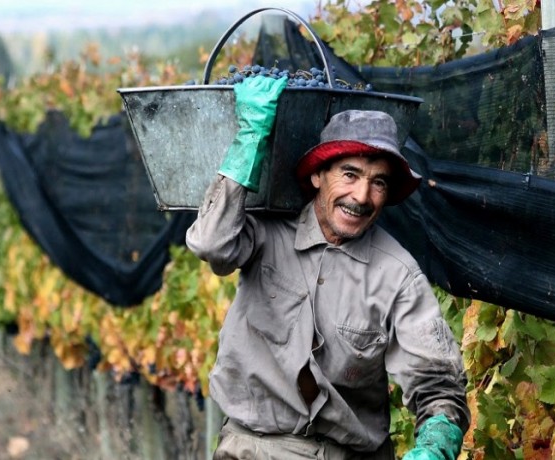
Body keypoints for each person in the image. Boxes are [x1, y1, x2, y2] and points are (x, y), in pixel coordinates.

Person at [186, 76, 470, 459]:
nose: (361, 196)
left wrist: (436, 443)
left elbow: (437, 384)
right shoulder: (267, 235)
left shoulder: (398, 276)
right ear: (318, 176)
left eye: (378, 183)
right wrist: (248, 140)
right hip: (252, 450)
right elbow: (211, 243)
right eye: (349, 174)